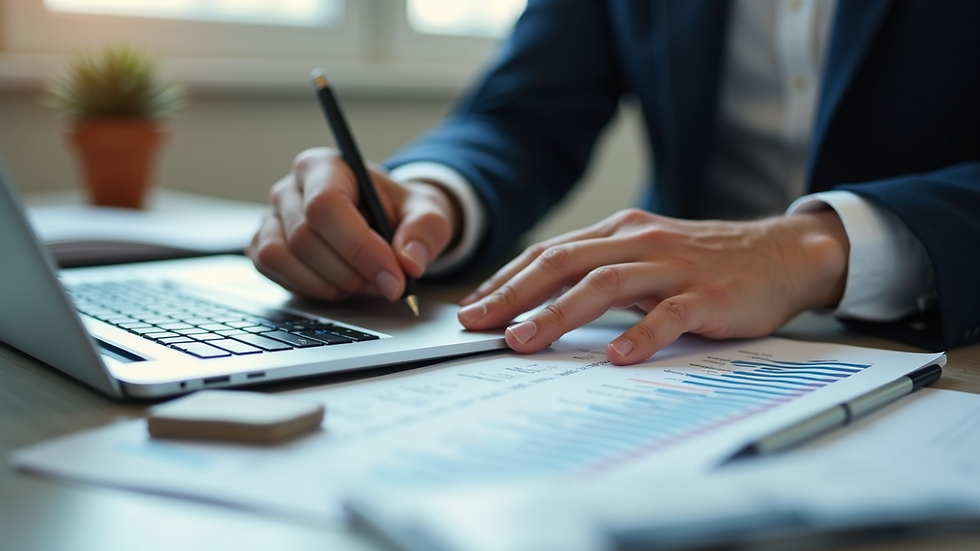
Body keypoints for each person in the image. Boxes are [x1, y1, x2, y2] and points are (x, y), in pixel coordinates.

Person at [248, 0, 980, 365]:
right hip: (669, 344)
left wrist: (812, 249)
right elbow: (526, 110)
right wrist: (431, 197)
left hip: (938, 342)